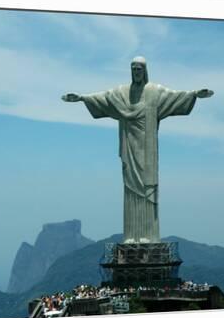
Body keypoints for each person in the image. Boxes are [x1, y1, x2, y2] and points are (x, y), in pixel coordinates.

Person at [62, 57, 213, 243]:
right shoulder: (122, 93)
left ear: (145, 70)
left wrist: (194, 94)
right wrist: (82, 97)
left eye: (139, 69)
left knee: (147, 188)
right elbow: (104, 98)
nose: (136, 72)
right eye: (133, 69)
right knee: (131, 190)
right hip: (129, 150)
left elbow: (175, 96)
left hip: (148, 151)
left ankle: (149, 235)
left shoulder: (154, 92)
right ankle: (131, 236)